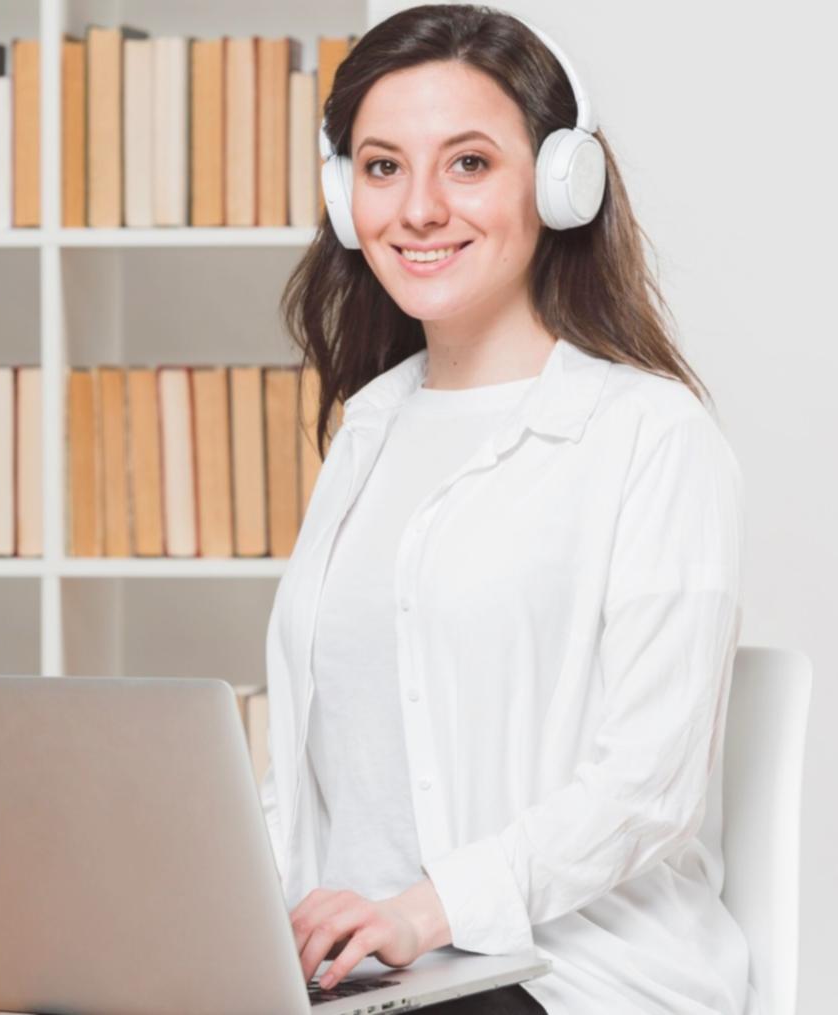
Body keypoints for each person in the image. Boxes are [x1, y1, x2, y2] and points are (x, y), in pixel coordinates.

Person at [260, 5, 756, 1014]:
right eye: (383, 166)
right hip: (366, 978)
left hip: (579, 978)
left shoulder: (651, 437)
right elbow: (310, 768)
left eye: (470, 163)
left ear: (564, 184)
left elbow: (647, 786)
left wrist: (425, 909)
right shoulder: (369, 430)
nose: (419, 207)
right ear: (345, 199)